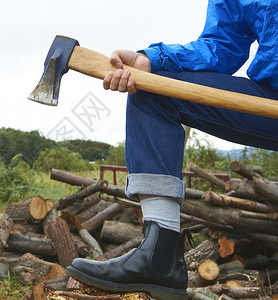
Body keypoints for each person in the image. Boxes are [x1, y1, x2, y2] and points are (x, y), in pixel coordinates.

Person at [65, 0, 278, 299]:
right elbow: (223, 44)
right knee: (153, 91)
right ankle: (159, 258)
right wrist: (149, 60)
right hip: (271, 100)